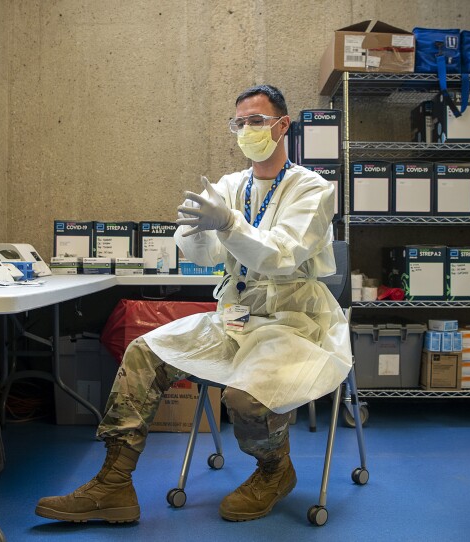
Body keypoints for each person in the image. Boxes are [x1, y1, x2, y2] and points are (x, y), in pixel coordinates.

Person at [35, 84, 352, 523]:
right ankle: (113, 485)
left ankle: (274, 471)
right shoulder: (228, 186)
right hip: (235, 316)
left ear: (283, 126)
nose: (246, 130)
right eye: (239, 123)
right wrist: (200, 231)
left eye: (256, 121)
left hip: (292, 320)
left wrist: (229, 223)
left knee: (247, 398)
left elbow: (281, 256)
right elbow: (205, 255)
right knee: (144, 352)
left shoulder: (312, 189)